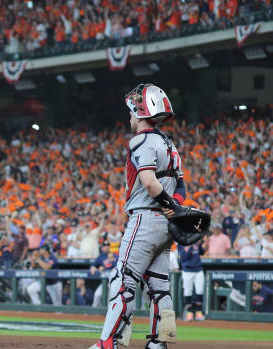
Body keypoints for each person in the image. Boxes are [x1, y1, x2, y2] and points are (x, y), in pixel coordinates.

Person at [90, 83, 183, 349]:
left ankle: (107, 344)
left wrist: (167, 205)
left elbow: (150, 182)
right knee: (159, 287)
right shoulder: (170, 144)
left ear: (142, 113)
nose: (130, 118)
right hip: (166, 225)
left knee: (122, 280)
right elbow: (182, 187)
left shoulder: (141, 140)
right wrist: (174, 208)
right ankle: (158, 344)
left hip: (145, 218)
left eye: (132, 113)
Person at [178, 241, 205, 321]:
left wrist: (199, 244)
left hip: (198, 269)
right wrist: (191, 246)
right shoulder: (182, 242)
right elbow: (183, 257)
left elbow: (202, 252)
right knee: (188, 291)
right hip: (187, 270)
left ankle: (199, 312)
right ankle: (189, 312)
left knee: (200, 291)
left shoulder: (196, 241)